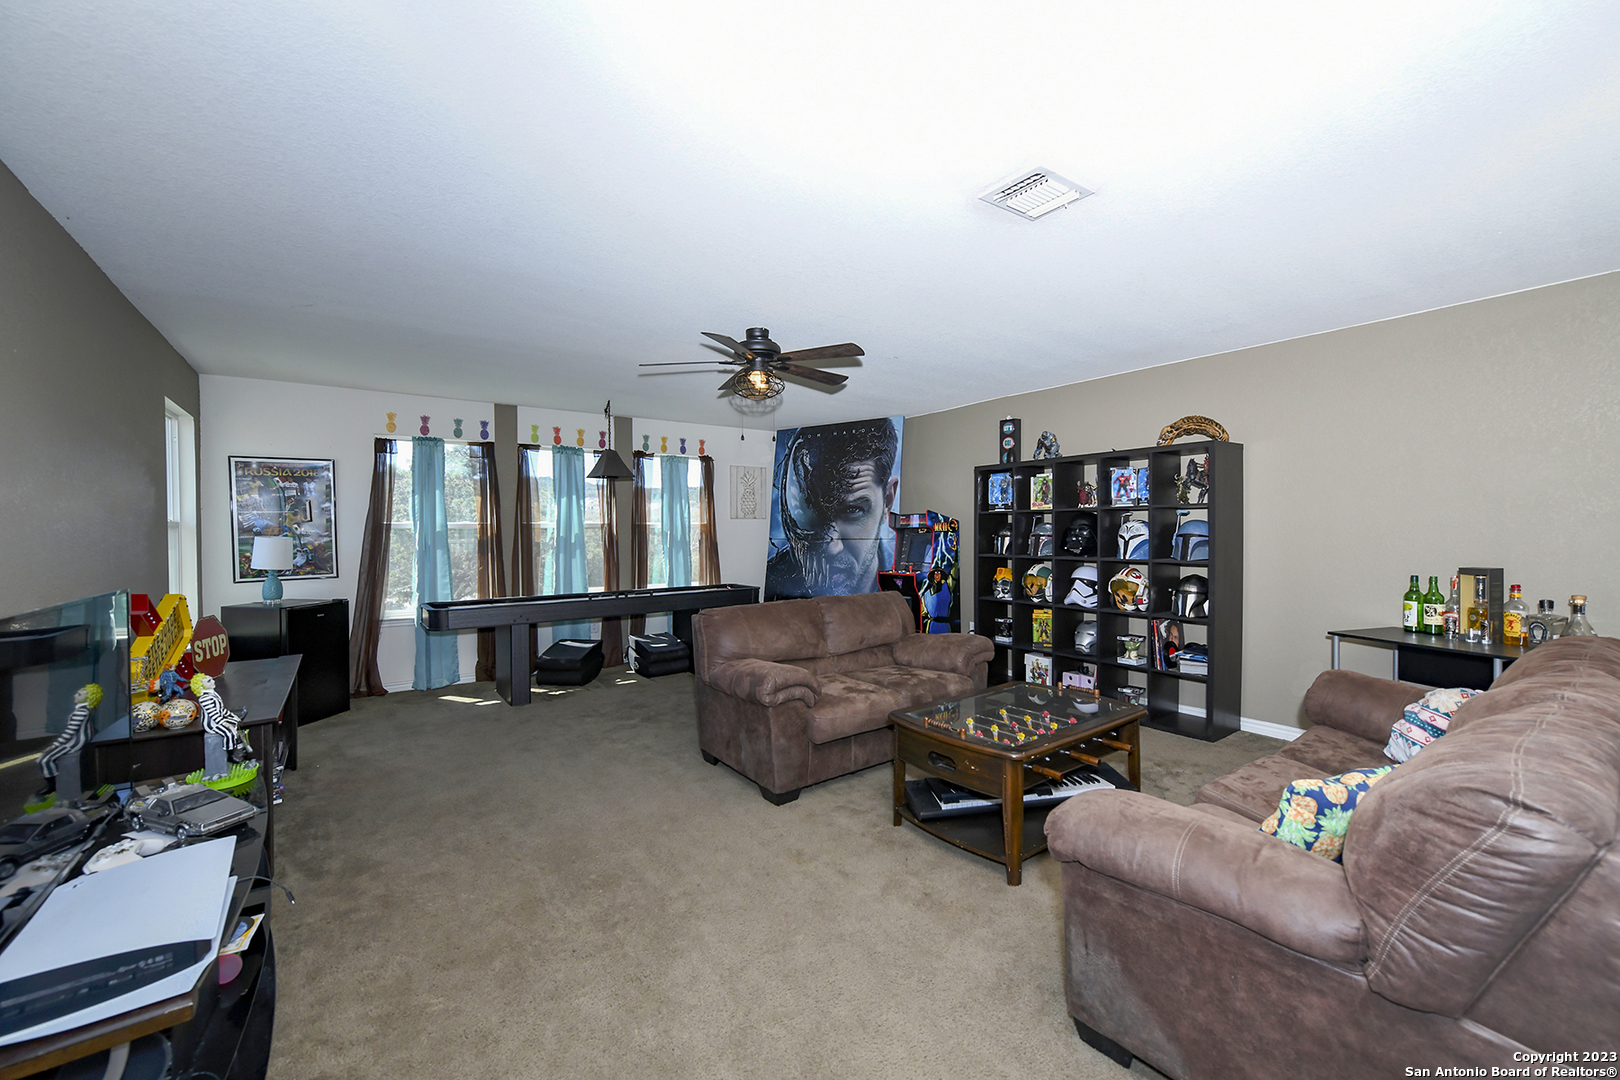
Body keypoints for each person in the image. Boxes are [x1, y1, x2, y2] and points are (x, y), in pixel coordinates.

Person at [765, 418, 899, 600]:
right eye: (813, 512)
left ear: (888, 500)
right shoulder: (773, 583)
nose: (831, 548)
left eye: (853, 510)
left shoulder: (903, 592)